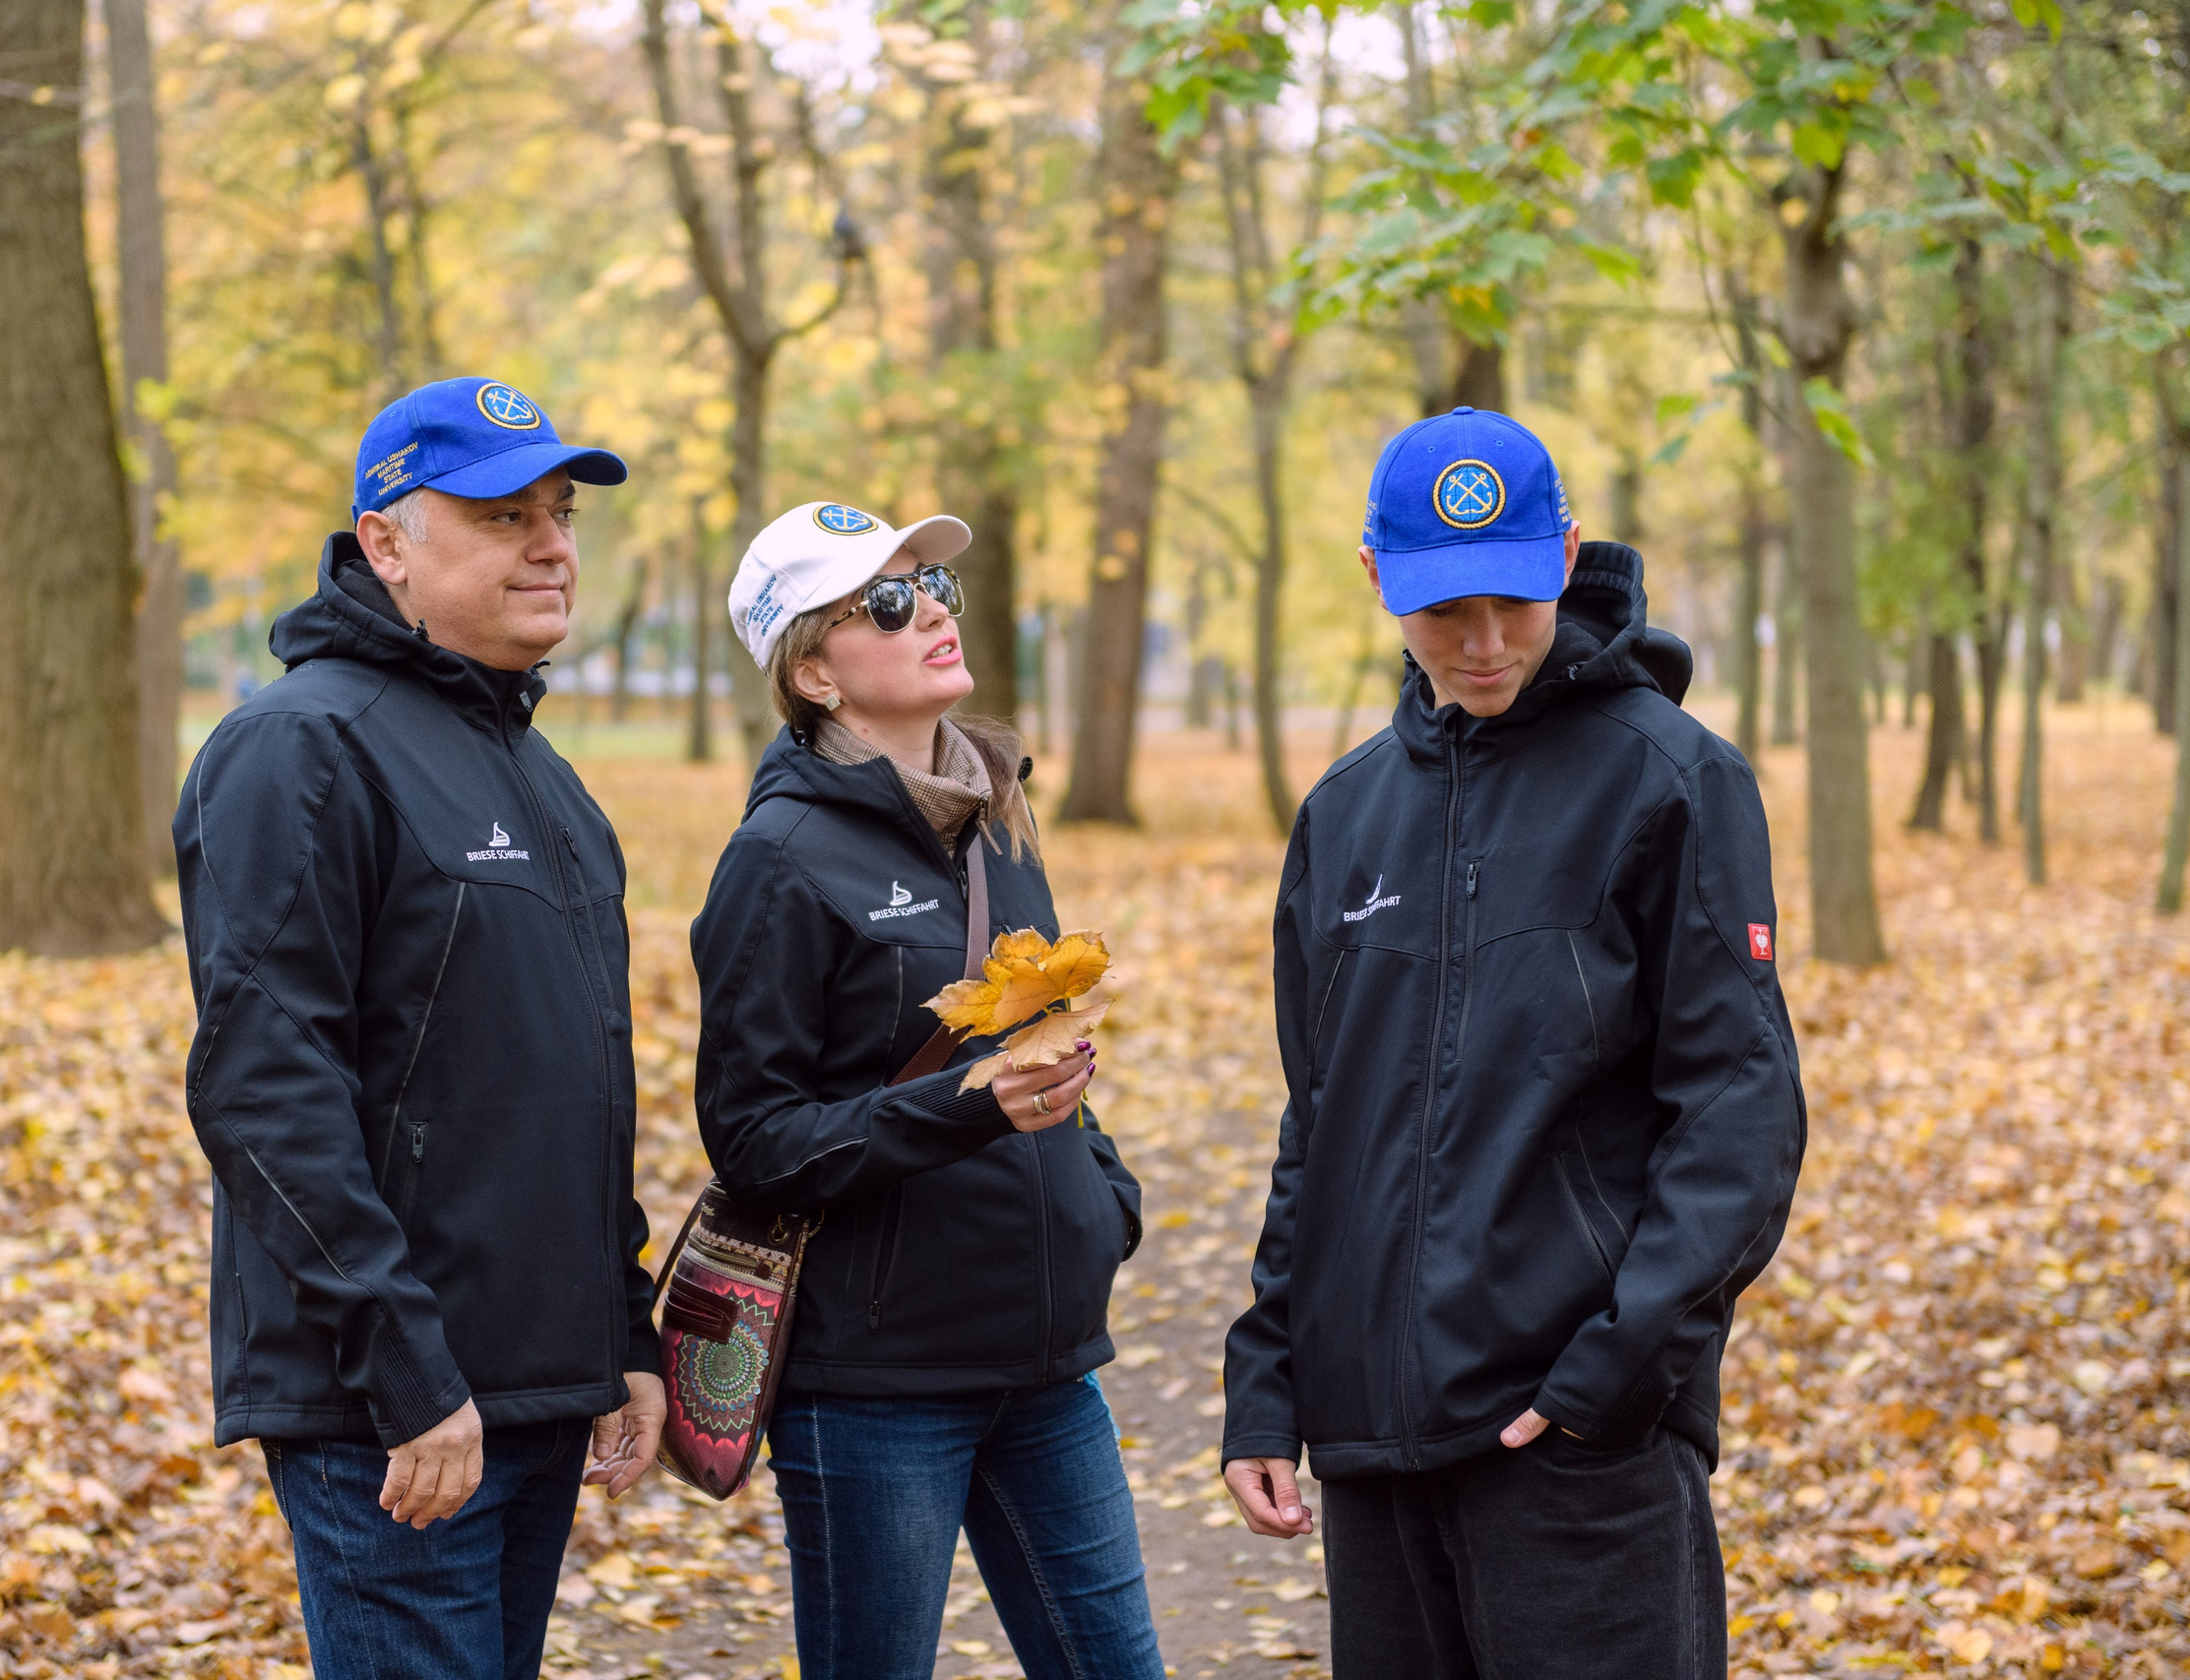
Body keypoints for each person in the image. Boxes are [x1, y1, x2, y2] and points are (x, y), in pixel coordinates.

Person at [1220, 407, 1806, 1677]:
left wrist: (1617, 1370)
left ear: (1568, 556)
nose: (1483, 645)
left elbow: (1739, 1108)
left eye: (1514, 604)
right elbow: (1320, 1121)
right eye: (1444, 613)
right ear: (1378, 580)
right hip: (1373, 1450)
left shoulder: (1672, 781)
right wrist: (1268, 1378)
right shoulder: (1343, 814)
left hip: (1576, 1438)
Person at [173, 377, 666, 1680]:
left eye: (559, 513)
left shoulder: (543, 776)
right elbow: (262, 1088)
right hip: (395, 1409)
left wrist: (619, 1331)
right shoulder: (297, 747)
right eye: (506, 516)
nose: (554, 543)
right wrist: (406, 1371)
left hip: (534, 1384)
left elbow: (576, 1083)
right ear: (387, 541)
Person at [688, 501, 1162, 1680]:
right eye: (887, 603)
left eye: (931, 588)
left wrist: (1099, 1197)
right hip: (878, 1386)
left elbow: (1038, 1042)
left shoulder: (999, 819)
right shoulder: (778, 859)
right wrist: (964, 1109)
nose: (931, 612)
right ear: (815, 672)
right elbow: (754, 1140)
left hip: (1048, 1368)